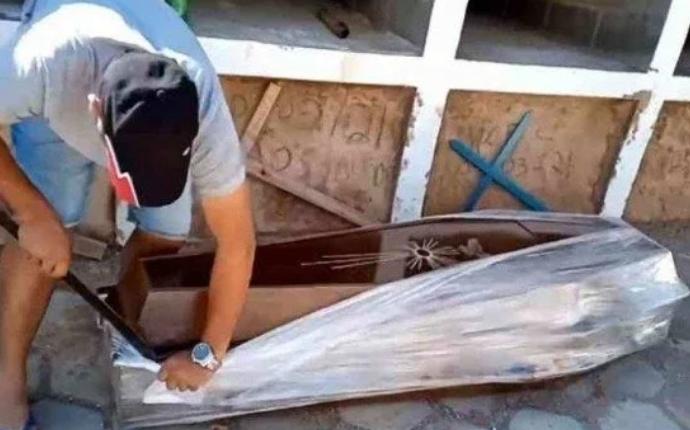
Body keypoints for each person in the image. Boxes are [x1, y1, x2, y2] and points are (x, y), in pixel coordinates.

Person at [0, 0, 256, 428]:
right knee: (50, 226)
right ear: (95, 115)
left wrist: (208, 355)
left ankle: (125, 326)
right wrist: (31, 213)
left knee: (167, 232)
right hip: (56, 103)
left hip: (134, 43)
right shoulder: (38, 65)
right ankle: (7, 377)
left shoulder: (203, 110)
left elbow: (238, 244)